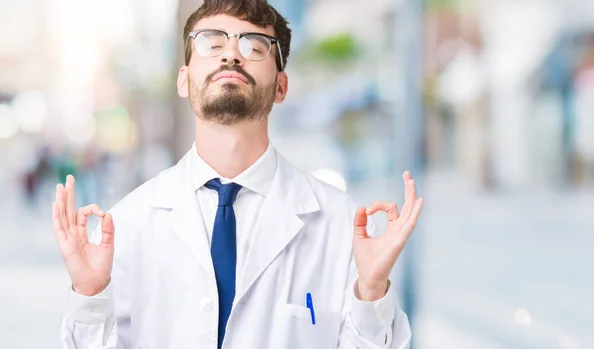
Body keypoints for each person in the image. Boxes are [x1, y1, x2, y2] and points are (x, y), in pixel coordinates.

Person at [52, 1, 424, 348]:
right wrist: (89, 295)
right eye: (211, 43)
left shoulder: (339, 224)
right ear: (183, 80)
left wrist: (372, 291)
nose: (231, 54)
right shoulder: (128, 224)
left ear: (280, 87)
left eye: (254, 45)